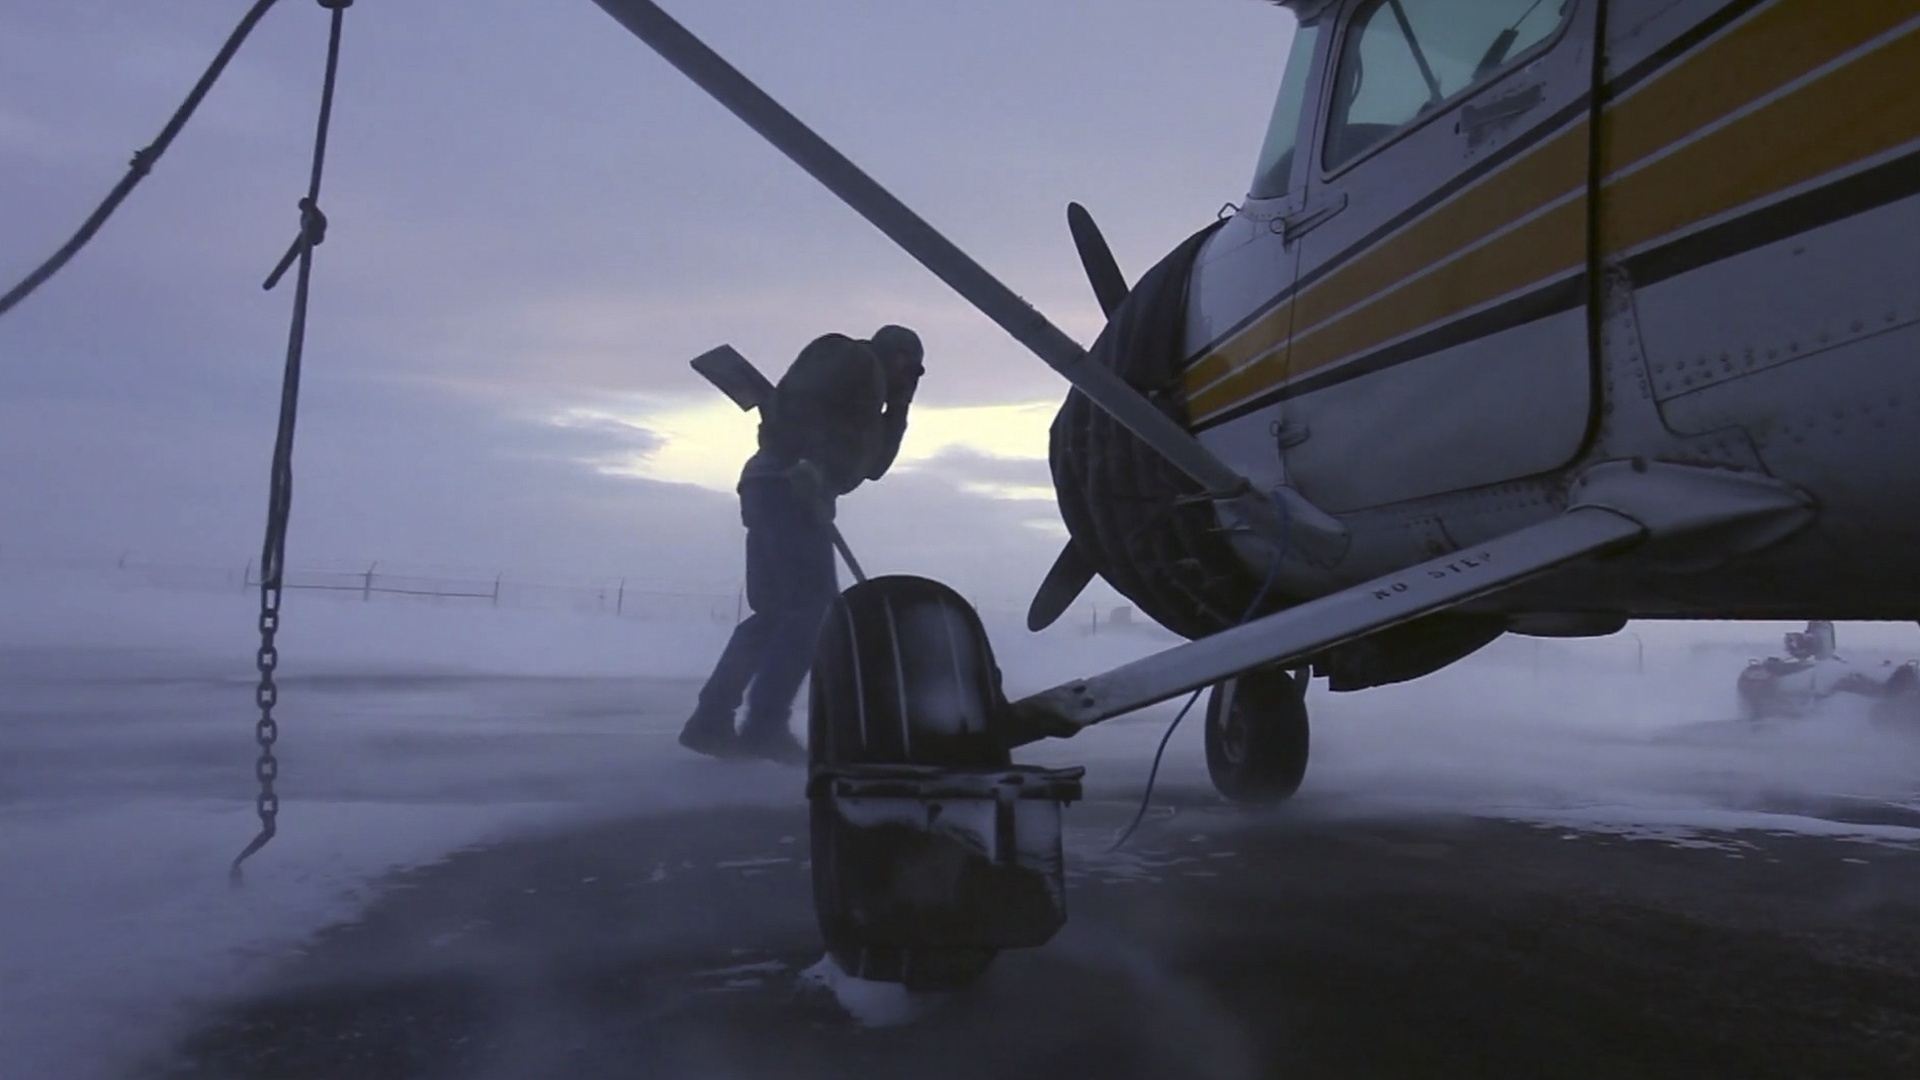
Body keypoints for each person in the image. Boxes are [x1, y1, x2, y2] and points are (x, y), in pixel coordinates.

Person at [678, 325, 924, 763]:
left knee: (777, 614)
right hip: (788, 483)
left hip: (785, 488)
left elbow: (874, 466)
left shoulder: (872, 398)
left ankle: (711, 720)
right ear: (896, 355)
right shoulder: (850, 356)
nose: (912, 378)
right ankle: (764, 726)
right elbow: (798, 405)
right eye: (912, 368)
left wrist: (899, 406)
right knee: (813, 612)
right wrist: (809, 460)